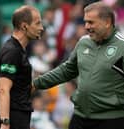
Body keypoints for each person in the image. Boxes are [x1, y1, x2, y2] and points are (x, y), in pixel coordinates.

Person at [33, 1, 124, 129]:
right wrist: (37, 83)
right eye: (85, 21)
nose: (86, 26)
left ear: (107, 22)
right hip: (80, 117)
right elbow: (66, 70)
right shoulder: (83, 42)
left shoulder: (122, 47)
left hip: (111, 120)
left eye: (91, 22)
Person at [0, 5, 43, 129]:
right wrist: (5, 123)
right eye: (37, 23)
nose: (41, 28)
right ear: (24, 26)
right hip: (13, 119)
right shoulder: (12, 52)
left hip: (19, 117)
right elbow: (3, 89)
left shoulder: (19, 50)